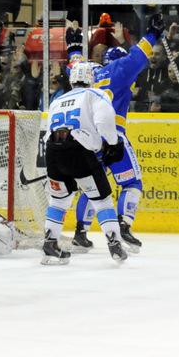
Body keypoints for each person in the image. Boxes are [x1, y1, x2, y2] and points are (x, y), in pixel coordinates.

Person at [73, 14, 166, 254]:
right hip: (112, 136)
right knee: (132, 182)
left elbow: (73, 67)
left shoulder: (92, 75)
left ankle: (80, 232)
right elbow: (138, 56)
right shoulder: (120, 70)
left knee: (92, 187)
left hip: (89, 140)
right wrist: (153, 34)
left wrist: (73, 47)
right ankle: (124, 226)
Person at [42, 61, 128, 265]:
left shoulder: (57, 100)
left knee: (58, 200)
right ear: (91, 79)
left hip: (53, 151)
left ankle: (50, 244)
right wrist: (113, 143)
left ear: (72, 80)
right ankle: (115, 244)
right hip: (79, 150)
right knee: (101, 200)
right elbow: (104, 123)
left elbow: (47, 133)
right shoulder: (95, 94)